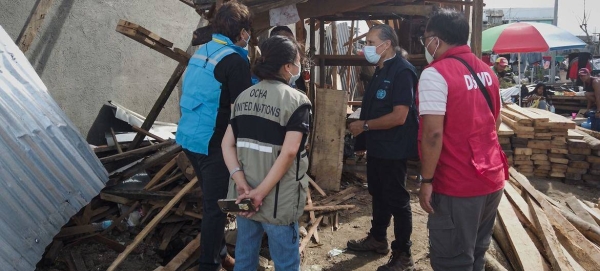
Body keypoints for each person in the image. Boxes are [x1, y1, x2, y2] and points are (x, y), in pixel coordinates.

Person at [417, 9, 508, 271]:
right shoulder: (487, 72)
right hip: (491, 179)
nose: (426, 45)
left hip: (457, 185)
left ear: (436, 40)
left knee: (453, 260)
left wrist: (427, 180)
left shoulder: (435, 74)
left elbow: (432, 135)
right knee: (476, 254)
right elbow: (496, 121)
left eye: (426, 39)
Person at [221, 35, 311, 271]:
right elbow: (290, 152)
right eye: (298, 61)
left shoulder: (243, 98)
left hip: (245, 197)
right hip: (277, 202)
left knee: (245, 258)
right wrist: (261, 193)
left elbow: (226, 145)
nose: (299, 67)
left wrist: (241, 182)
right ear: (287, 66)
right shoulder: (297, 101)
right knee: (286, 263)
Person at [175, 1, 252, 270]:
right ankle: (209, 265)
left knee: (212, 198)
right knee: (216, 207)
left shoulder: (203, 51)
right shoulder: (234, 60)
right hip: (212, 144)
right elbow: (243, 108)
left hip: (189, 139)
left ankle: (219, 254)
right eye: (247, 32)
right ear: (242, 32)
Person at [346, 24, 419, 271]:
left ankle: (403, 254)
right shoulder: (379, 70)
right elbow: (374, 108)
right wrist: (363, 139)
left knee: (397, 199)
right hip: (378, 148)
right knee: (378, 193)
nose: (366, 47)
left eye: (370, 41)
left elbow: (399, 116)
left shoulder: (402, 72)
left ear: (386, 44)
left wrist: (364, 126)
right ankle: (378, 239)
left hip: (394, 149)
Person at [269, 26, 308, 92]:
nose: (290, 46)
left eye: (292, 41)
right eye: (285, 41)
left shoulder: (297, 79)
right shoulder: (258, 80)